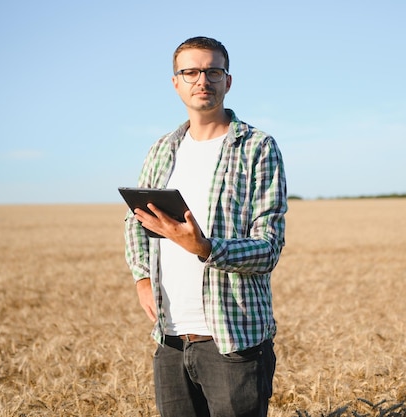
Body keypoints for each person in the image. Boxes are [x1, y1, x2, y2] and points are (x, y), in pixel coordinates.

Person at [123, 36, 287, 417]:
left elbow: (269, 247)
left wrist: (205, 247)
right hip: (170, 338)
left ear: (227, 81)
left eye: (213, 71)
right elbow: (134, 221)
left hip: (234, 340)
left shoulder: (258, 147)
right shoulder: (162, 148)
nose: (203, 80)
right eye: (191, 71)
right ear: (176, 82)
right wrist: (141, 277)